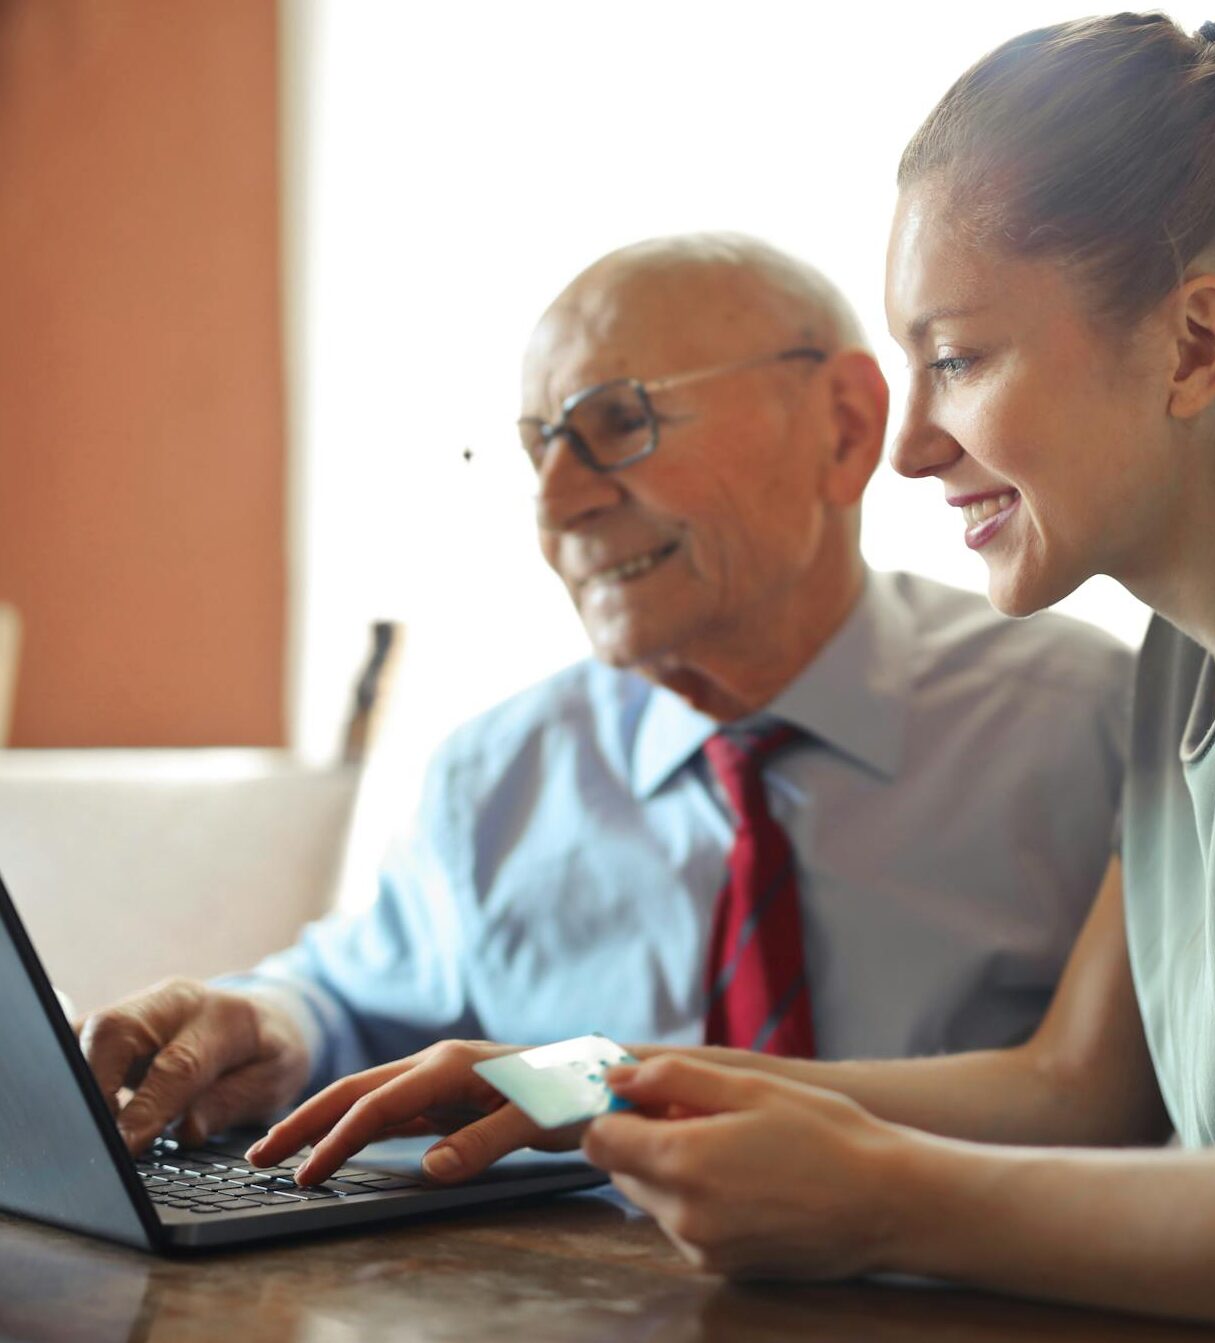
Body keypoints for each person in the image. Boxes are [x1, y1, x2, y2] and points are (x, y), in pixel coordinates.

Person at [249, 5, 1215, 1339]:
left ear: (1196, 345)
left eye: (958, 356)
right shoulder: (1181, 670)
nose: (908, 447)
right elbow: (1071, 1090)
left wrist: (888, 1205)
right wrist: (584, 1079)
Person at [77, 234, 1132, 1163]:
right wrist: (267, 1023)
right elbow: (353, 998)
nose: (557, 505)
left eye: (617, 422)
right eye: (540, 445)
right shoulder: (497, 773)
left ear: (847, 426)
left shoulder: (1089, 723)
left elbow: (1134, 1105)